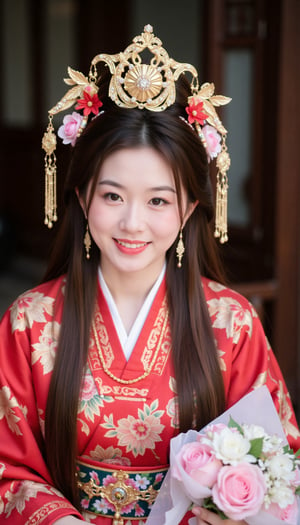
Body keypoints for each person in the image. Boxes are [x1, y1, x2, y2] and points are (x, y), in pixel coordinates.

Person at [0, 25, 299, 525]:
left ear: (187, 211)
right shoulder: (30, 322)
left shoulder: (232, 323)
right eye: (112, 196)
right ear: (81, 198)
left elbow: (280, 461)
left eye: (158, 200)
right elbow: (8, 469)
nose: (132, 223)